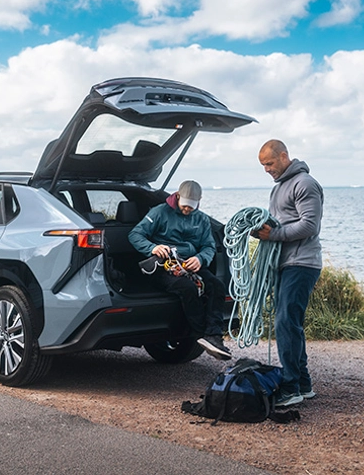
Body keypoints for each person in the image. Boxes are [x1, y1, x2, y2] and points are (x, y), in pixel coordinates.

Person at [128, 180, 232, 360]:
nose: (187, 209)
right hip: (162, 267)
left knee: (217, 286)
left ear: (199, 200)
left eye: (191, 206)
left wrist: (200, 259)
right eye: (185, 205)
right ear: (177, 196)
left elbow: (208, 246)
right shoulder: (160, 212)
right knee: (187, 288)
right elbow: (135, 235)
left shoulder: (201, 219)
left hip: (189, 265)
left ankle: (214, 336)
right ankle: (201, 334)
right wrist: (153, 248)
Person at [255, 139, 323, 407]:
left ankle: (290, 387)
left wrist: (274, 235)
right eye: (263, 165)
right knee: (290, 323)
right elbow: (280, 223)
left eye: (269, 163)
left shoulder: (304, 184)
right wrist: (261, 230)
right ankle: (303, 384)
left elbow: (309, 225)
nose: (267, 169)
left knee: (285, 322)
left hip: (302, 263)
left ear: (284, 156)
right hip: (286, 262)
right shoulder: (279, 188)